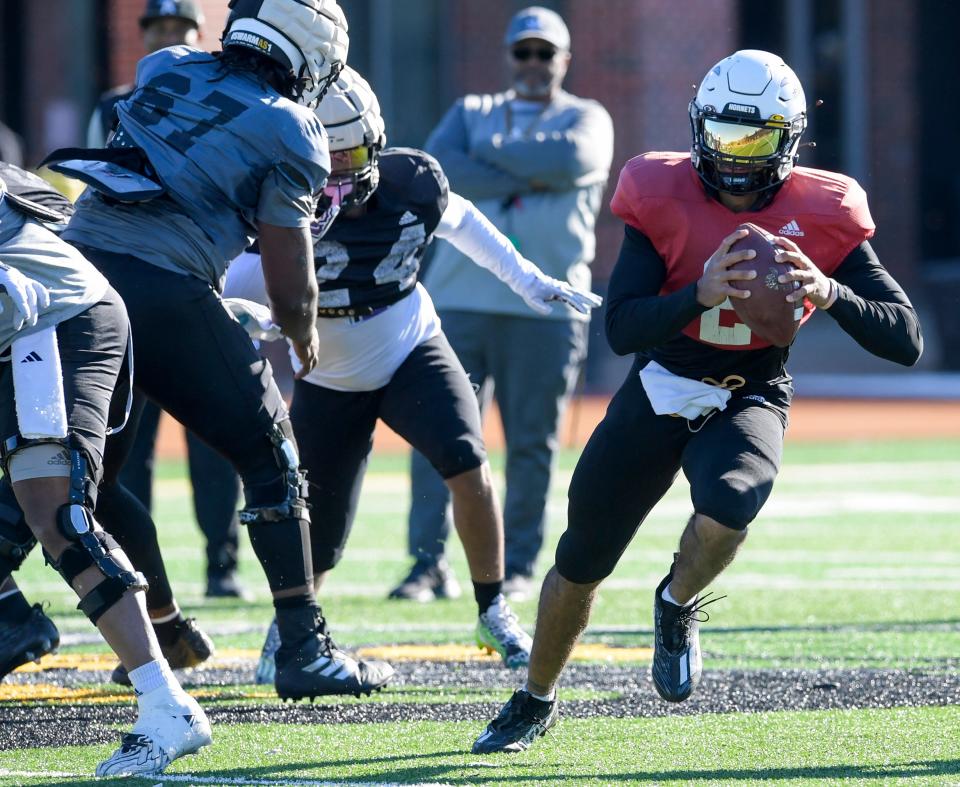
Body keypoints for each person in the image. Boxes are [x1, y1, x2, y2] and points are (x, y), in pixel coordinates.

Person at [472, 49, 923, 754]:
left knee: (733, 501)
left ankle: (676, 602)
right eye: (725, 137)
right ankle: (534, 697)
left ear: (791, 140)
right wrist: (698, 293)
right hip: (663, 379)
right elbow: (621, 326)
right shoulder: (659, 190)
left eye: (757, 142)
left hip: (752, 387)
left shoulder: (825, 208)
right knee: (582, 554)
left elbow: (907, 339)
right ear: (697, 129)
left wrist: (830, 290)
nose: (737, 160)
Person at [41, 0, 379, 705]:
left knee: (92, 482)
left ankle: (161, 625)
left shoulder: (164, 64)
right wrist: (301, 328)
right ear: (312, 53)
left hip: (73, 281)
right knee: (272, 452)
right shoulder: (293, 127)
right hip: (160, 288)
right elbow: (290, 271)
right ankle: (303, 648)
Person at [222, 66, 602, 684]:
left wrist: (529, 282)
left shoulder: (412, 183)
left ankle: (492, 607)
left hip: (407, 344)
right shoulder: (275, 203)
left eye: (351, 152)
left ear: (376, 141)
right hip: (329, 374)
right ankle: (290, 632)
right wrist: (256, 319)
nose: (340, 171)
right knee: (320, 524)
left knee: (468, 463)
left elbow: (466, 221)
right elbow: (226, 286)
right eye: (328, 155)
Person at [0, 164, 210, 776]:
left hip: (52, 324)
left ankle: (166, 705)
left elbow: (22, 294)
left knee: (57, 513)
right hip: (20, 328)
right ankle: (11, 620)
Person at [398, 6, 614, 603]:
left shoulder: (587, 117)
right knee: (438, 436)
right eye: (524, 52)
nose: (534, 64)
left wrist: (487, 162)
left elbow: (571, 161)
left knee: (530, 443)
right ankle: (425, 564)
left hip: (546, 310)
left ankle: (518, 563)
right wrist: (529, 171)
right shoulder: (471, 111)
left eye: (546, 54)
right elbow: (439, 179)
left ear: (564, 61)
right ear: (507, 57)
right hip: (458, 302)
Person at [88, 0, 250, 602]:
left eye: (179, 28)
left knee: (211, 439)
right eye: (159, 28)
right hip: (128, 292)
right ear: (145, 36)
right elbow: (94, 183)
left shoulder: (223, 105)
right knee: (130, 447)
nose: (169, 37)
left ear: (198, 35)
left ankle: (221, 562)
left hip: (193, 281)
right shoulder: (113, 104)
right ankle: (133, 569)